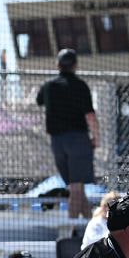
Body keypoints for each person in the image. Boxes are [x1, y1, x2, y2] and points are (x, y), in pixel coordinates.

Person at [35, 49, 99, 219]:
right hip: (77, 139)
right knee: (76, 187)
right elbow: (90, 115)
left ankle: (88, 225)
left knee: (76, 186)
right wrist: (96, 138)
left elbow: (39, 100)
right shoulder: (80, 85)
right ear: (75, 66)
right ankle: (73, 229)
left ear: (58, 65)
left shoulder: (48, 86)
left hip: (57, 142)